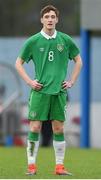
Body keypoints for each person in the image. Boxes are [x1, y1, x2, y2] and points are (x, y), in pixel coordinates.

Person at [15, 5, 82, 175]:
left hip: (59, 93)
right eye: (47, 17)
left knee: (58, 129)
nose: (50, 19)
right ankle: (31, 167)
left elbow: (79, 61)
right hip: (40, 92)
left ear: (57, 19)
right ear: (42, 20)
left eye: (53, 16)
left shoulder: (65, 40)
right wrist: (30, 82)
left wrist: (71, 81)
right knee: (35, 128)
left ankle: (59, 167)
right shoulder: (33, 41)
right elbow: (18, 63)